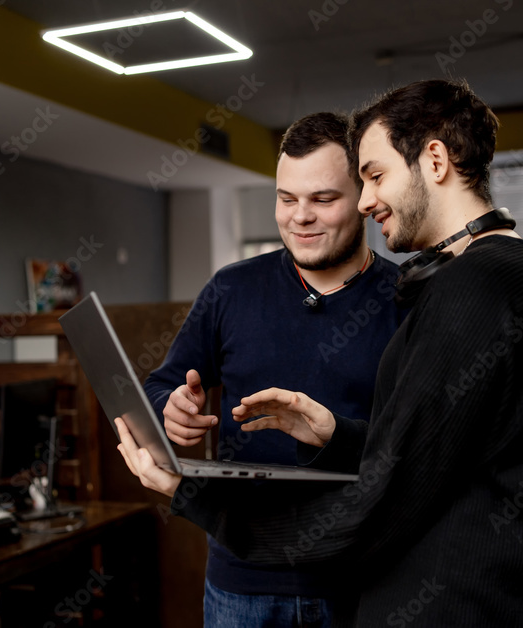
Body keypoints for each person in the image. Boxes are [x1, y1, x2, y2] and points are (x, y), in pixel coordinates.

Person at [119, 78, 523, 627]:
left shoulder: (465, 288)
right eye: (287, 199)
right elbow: (427, 451)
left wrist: (190, 494)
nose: (366, 200)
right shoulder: (505, 270)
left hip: (417, 590)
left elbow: (389, 496)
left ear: (434, 160)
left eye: (373, 177)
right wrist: (333, 433)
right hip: (261, 581)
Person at [142, 112, 406, 627]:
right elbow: (161, 385)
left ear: (364, 197)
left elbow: (419, 444)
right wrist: (171, 410)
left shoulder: (407, 301)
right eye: (287, 199)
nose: (299, 217)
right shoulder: (231, 289)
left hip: (360, 577)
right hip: (243, 579)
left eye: (323, 199)